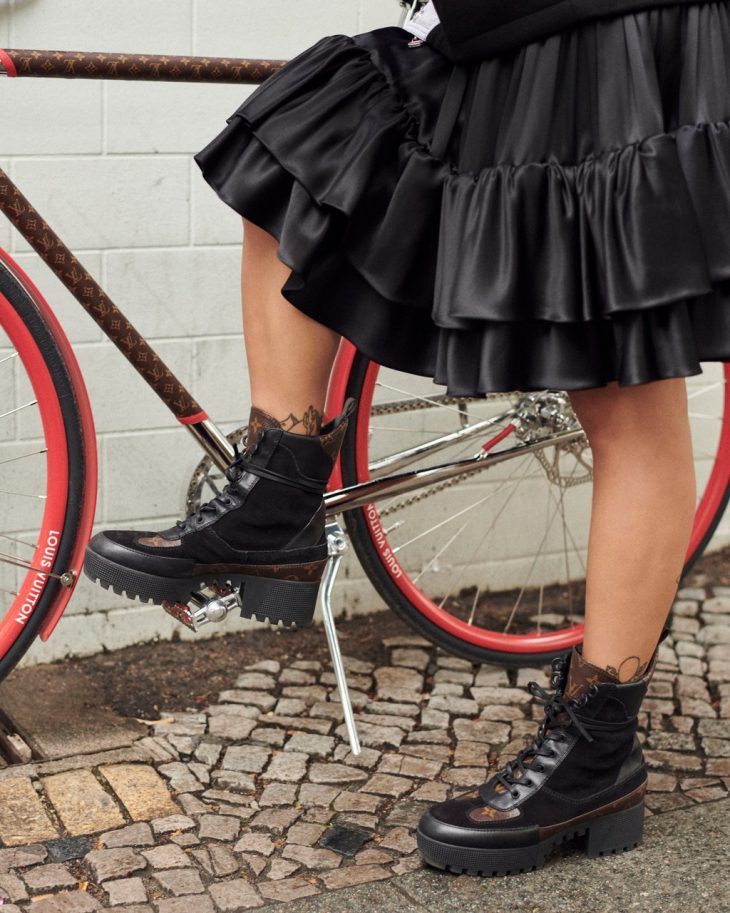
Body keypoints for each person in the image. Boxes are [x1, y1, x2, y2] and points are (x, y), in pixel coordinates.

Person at [84, 0, 727, 875]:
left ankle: (596, 749)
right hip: (492, 30)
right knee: (299, 145)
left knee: (620, 395)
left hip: (614, 36)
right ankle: (279, 490)